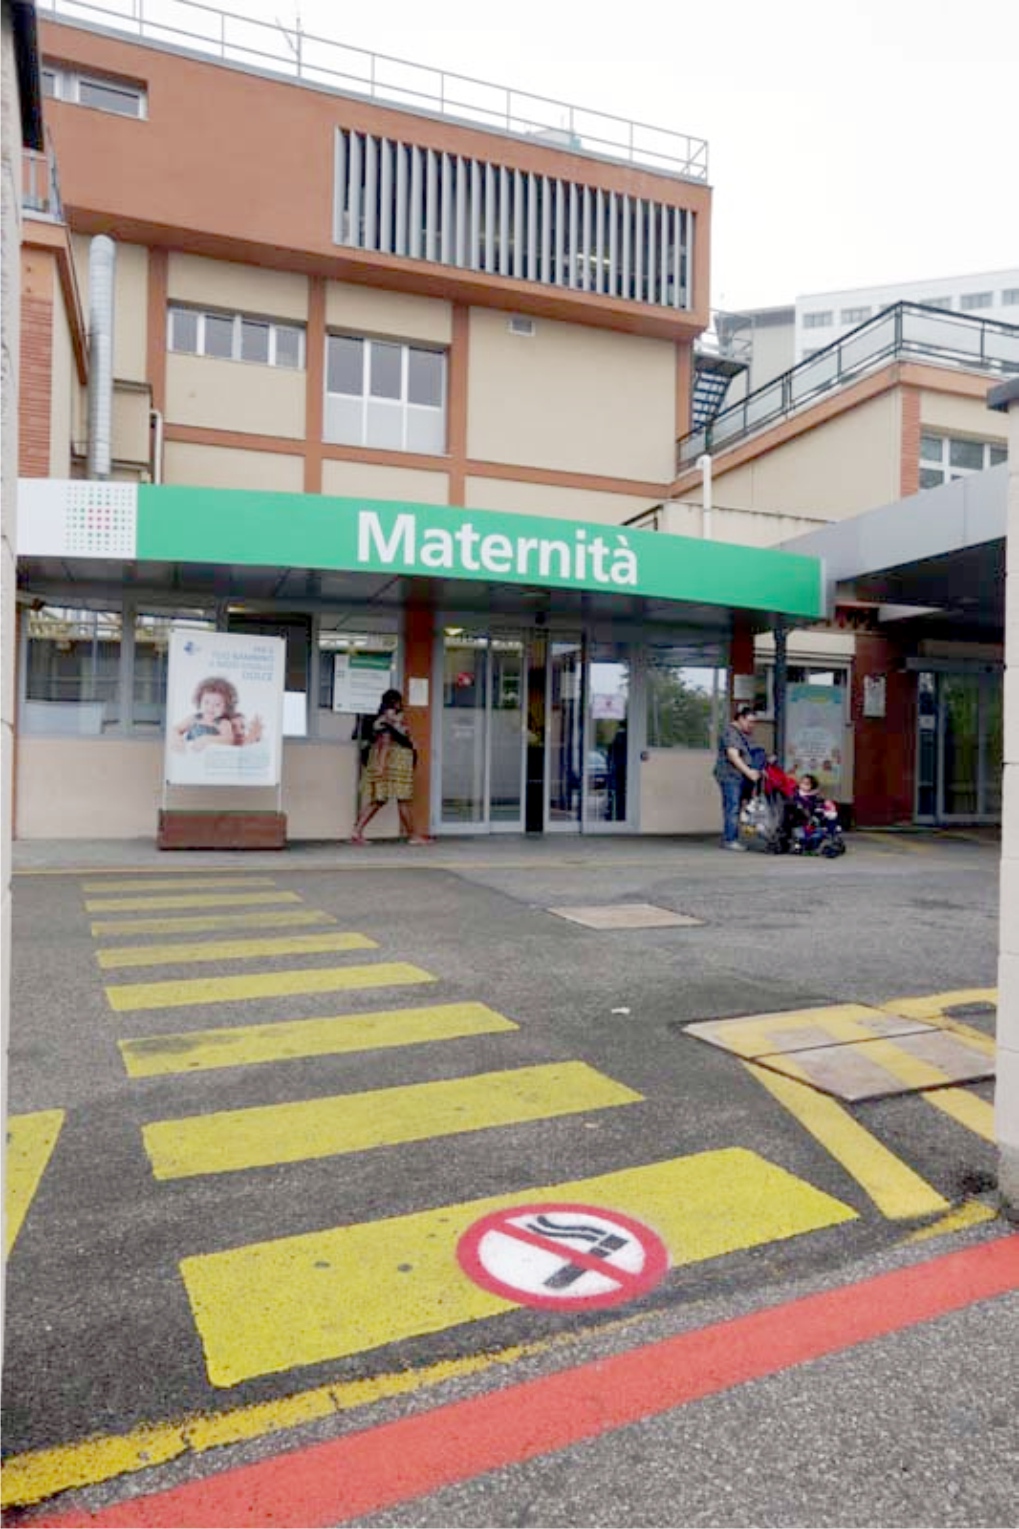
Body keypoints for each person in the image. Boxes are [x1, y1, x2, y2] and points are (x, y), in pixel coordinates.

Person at [350, 689, 430, 845]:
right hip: (393, 766)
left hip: (391, 765)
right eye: (396, 706)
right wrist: (381, 766)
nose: (396, 712)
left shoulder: (384, 720)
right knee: (401, 799)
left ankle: (356, 831)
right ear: (395, 703)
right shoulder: (387, 721)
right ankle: (413, 836)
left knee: (380, 800)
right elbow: (385, 742)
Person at [713, 705, 761, 850]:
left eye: (754, 722)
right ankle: (730, 840)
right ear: (740, 718)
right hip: (730, 775)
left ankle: (732, 836)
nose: (752, 725)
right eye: (750, 721)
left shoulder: (745, 734)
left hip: (742, 776)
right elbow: (733, 756)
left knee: (738, 806)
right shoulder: (730, 732)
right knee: (732, 806)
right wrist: (749, 772)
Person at [170, 676, 238, 751]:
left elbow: (229, 740)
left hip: (211, 756)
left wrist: (207, 739)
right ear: (199, 701)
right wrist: (176, 737)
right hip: (190, 754)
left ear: (226, 707)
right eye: (206, 702)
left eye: (217, 705)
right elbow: (175, 729)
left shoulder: (223, 723)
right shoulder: (194, 718)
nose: (211, 707)